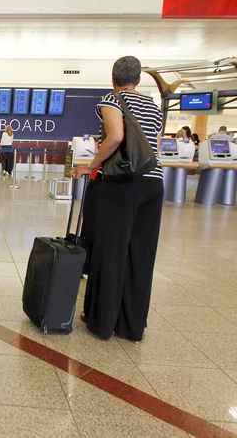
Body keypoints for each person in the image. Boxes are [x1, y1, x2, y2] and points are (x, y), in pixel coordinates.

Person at [72, 55, 163, 342]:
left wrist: (93, 164)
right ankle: (132, 324)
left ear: (113, 79)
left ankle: (103, 321)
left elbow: (115, 137)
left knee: (111, 250)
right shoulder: (153, 107)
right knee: (140, 254)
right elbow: (154, 147)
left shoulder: (111, 101)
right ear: (137, 80)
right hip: (153, 184)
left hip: (122, 185)